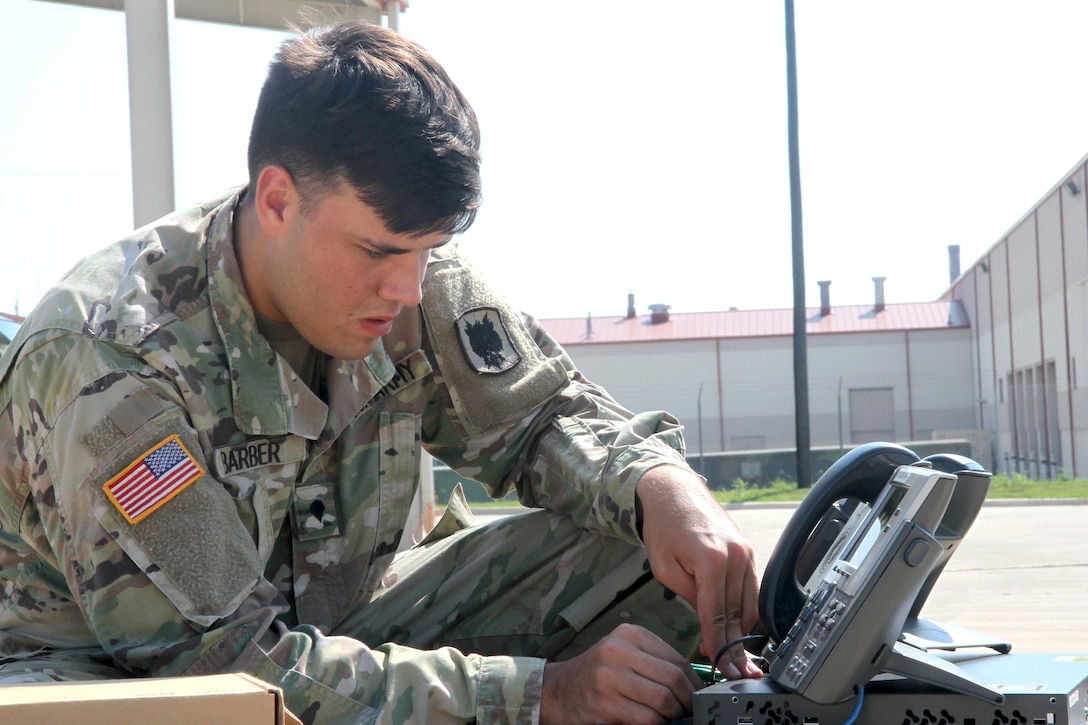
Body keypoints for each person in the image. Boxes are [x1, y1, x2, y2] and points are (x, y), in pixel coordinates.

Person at [0, 20, 761, 725]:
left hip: (329, 628)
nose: (407, 289)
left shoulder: (407, 268)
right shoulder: (112, 362)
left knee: (651, 546)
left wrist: (660, 486)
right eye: (379, 253)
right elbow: (227, 661)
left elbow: (537, 420)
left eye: (427, 251)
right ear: (276, 200)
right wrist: (539, 693)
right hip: (120, 679)